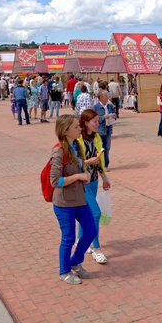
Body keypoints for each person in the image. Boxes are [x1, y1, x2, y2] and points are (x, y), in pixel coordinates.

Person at [50, 115, 96, 284]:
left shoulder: (76, 145)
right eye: (76, 127)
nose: (80, 129)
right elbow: (55, 181)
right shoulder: (58, 151)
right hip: (64, 202)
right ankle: (64, 271)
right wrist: (78, 176)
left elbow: (77, 164)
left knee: (91, 230)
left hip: (79, 198)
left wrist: (85, 172)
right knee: (68, 237)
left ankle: (75, 262)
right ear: (66, 130)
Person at [76, 110, 112, 264]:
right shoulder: (77, 140)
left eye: (98, 121)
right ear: (85, 122)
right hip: (81, 182)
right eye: (95, 121)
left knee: (86, 212)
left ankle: (80, 240)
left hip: (94, 180)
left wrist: (104, 178)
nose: (98, 124)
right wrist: (88, 162)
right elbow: (73, 163)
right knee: (95, 213)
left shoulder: (96, 138)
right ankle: (96, 249)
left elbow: (99, 161)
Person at [93, 90, 116, 169]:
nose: (107, 97)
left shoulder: (110, 106)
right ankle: (99, 164)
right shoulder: (96, 107)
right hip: (100, 130)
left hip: (108, 129)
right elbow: (94, 119)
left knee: (107, 147)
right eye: (106, 96)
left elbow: (114, 114)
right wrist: (103, 117)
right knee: (100, 148)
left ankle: (106, 165)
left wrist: (114, 116)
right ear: (101, 97)